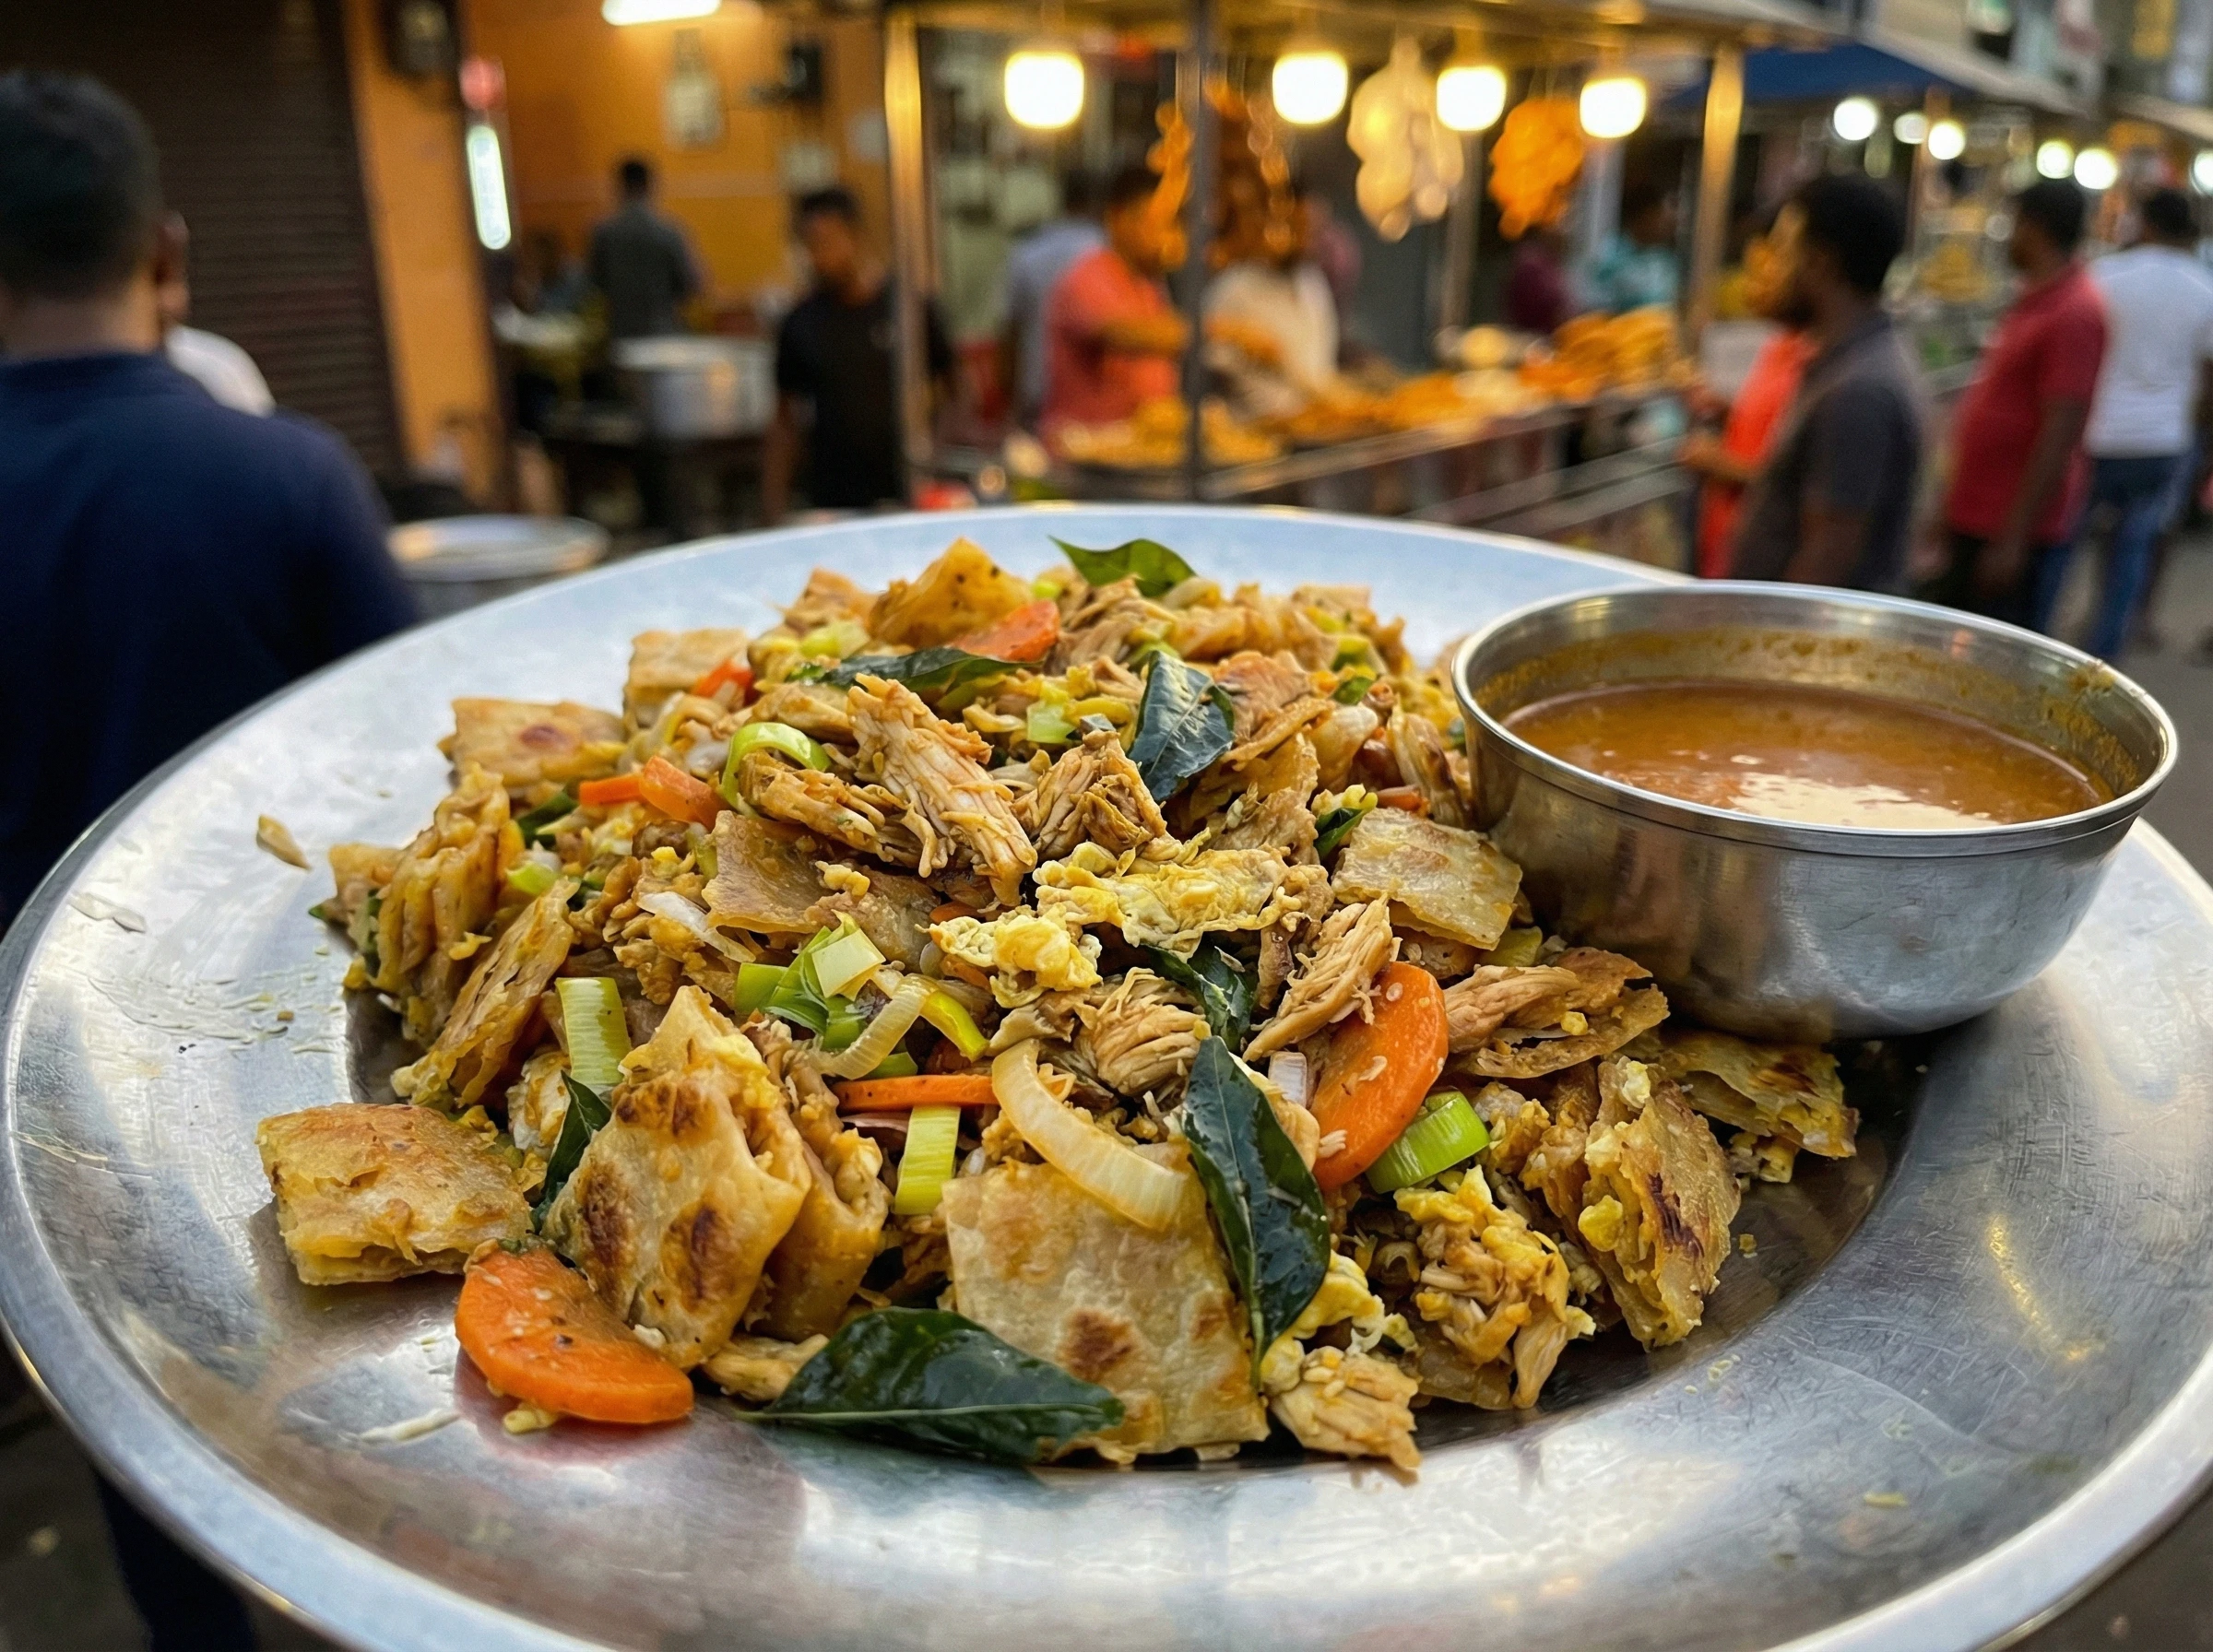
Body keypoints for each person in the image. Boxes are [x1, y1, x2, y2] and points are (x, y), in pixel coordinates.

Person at [0, 65, 414, 1646]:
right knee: (323, 1393)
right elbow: (407, 774)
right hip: (254, 1061)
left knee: (125, 1386)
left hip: (32, 1067)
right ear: (168, 253)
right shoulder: (288, 474)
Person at [2032, 188, 2213, 659]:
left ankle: (2041, 647)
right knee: (2130, 553)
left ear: (2146, 224)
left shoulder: (2106, 275)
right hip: (2160, 442)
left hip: (2097, 434)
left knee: (2064, 545)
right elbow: (2208, 382)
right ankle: (2103, 656)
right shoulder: (2204, 288)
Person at [1923, 179, 2108, 625]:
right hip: (1979, 516)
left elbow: (2061, 430)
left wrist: (2013, 540)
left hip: (2010, 529)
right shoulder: (2035, 299)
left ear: (2036, 227)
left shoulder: (2075, 311)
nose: (2007, 235)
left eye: (2014, 223)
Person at [1728, 174, 1924, 591]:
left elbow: (1826, 559)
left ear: (1820, 262)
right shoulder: (1845, 362)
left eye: (1782, 251)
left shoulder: (1859, 391)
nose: (1771, 269)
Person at [764, 185, 952, 520]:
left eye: (827, 243)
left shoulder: (907, 308)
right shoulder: (801, 323)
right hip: (834, 501)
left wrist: (939, 449)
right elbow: (784, 420)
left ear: (856, 236)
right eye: (809, 246)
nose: (818, 257)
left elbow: (957, 385)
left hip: (908, 494)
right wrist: (773, 508)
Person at [1679, 213, 1816, 577]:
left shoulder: (1820, 364)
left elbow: (1802, 483)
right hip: (1728, 553)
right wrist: (1728, 412)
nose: (1757, 284)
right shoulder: (1779, 346)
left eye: (1771, 267)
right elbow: (1773, 434)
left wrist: (1721, 465)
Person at [1040, 164, 1186, 434]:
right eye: (1156, 224)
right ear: (1118, 219)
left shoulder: (1146, 284)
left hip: (1139, 452)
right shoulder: (1087, 276)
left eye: (1172, 224)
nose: (1168, 239)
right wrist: (1216, 332)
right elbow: (1122, 334)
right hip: (1085, 456)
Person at [1204, 179, 1339, 418]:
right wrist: (1247, 346)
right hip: (1256, 431)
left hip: (1315, 423)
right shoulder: (1234, 288)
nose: (1309, 242)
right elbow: (1210, 370)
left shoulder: (1313, 282)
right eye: (1300, 230)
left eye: (1315, 232)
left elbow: (1319, 368)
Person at [1001, 170, 1103, 426]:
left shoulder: (1028, 252)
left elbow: (1008, 334)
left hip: (1037, 394)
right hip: (1098, 406)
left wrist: (1007, 403)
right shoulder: (1108, 250)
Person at [586, 157, 701, 340]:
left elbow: (594, 282)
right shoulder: (668, 231)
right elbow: (692, 283)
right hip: (662, 328)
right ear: (649, 185)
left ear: (619, 186)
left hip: (620, 330)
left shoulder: (603, 233)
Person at [1585, 180, 1681, 315]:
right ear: (1644, 217)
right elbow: (1595, 307)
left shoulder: (1664, 260)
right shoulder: (1610, 254)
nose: (1668, 223)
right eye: (1661, 216)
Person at [1504, 224, 1572, 336]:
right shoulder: (1532, 262)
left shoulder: (1550, 262)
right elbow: (1548, 304)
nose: (1564, 234)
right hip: (1531, 336)